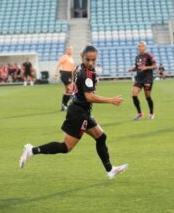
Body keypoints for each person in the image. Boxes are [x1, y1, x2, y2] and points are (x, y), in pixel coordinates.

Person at [19, 45, 128, 180]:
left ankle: (110, 170)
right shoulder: (86, 74)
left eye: (93, 60)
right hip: (79, 113)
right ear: (82, 57)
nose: (90, 62)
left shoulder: (79, 68)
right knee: (66, 147)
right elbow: (89, 97)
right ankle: (31, 150)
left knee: (101, 137)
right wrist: (111, 100)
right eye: (87, 59)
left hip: (82, 110)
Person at [127, 41, 157, 120]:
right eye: (139, 46)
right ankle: (140, 113)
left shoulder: (149, 55)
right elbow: (137, 67)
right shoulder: (137, 57)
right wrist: (132, 69)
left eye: (141, 46)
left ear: (145, 47)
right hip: (139, 79)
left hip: (147, 79)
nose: (140, 47)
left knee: (147, 97)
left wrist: (146, 67)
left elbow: (155, 66)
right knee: (134, 95)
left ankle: (151, 113)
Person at [55, 46, 75, 111]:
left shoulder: (71, 58)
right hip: (65, 74)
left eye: (71, 49)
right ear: (67, 50)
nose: (70, 50)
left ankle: (64, 105)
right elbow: (58, 65)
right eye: (69, 49)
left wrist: (73, 77)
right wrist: (56, 73)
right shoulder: (64, 57)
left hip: (69, 74)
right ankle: (71, 99)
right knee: (71, 89)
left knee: (67, 91)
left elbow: (72, 69)